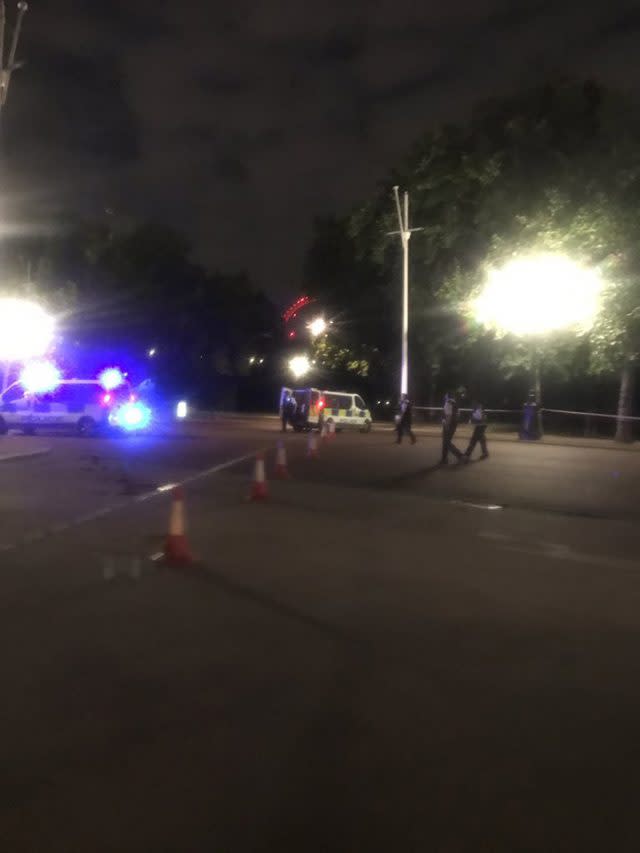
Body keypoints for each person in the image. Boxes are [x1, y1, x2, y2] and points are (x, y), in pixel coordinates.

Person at [440, 391, 463, 464]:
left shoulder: (448, 403)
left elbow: (448, 416)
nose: (444, 396)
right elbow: (458, 415)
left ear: (448, 396)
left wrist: (447, 425)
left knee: (446, 442)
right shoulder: (455, 403)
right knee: (445, 442)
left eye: (445, 395)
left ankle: (460, 455)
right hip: (453, 425)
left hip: (448, 425)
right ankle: (444, 459)